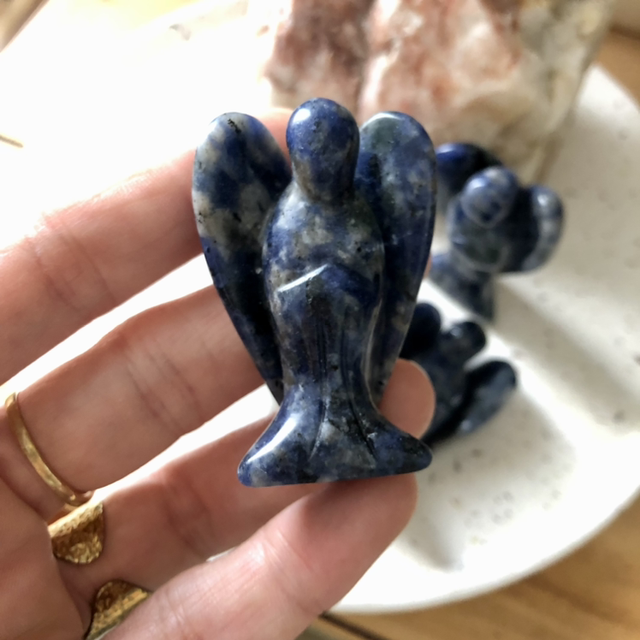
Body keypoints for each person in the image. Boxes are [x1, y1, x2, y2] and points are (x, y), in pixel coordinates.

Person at [0, 109, 434, 639]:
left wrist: (348, 287)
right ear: (301, 160)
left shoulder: (360, 212)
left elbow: (376, 274)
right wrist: (313, 292)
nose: (325, 167)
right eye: (316, 157)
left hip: (350, 341)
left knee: (356, 389)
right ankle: (304, 433)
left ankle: (356, 430)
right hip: (304, 348)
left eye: (335, 156)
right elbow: (276, 283)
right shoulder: (287, 216)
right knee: (309, 386)